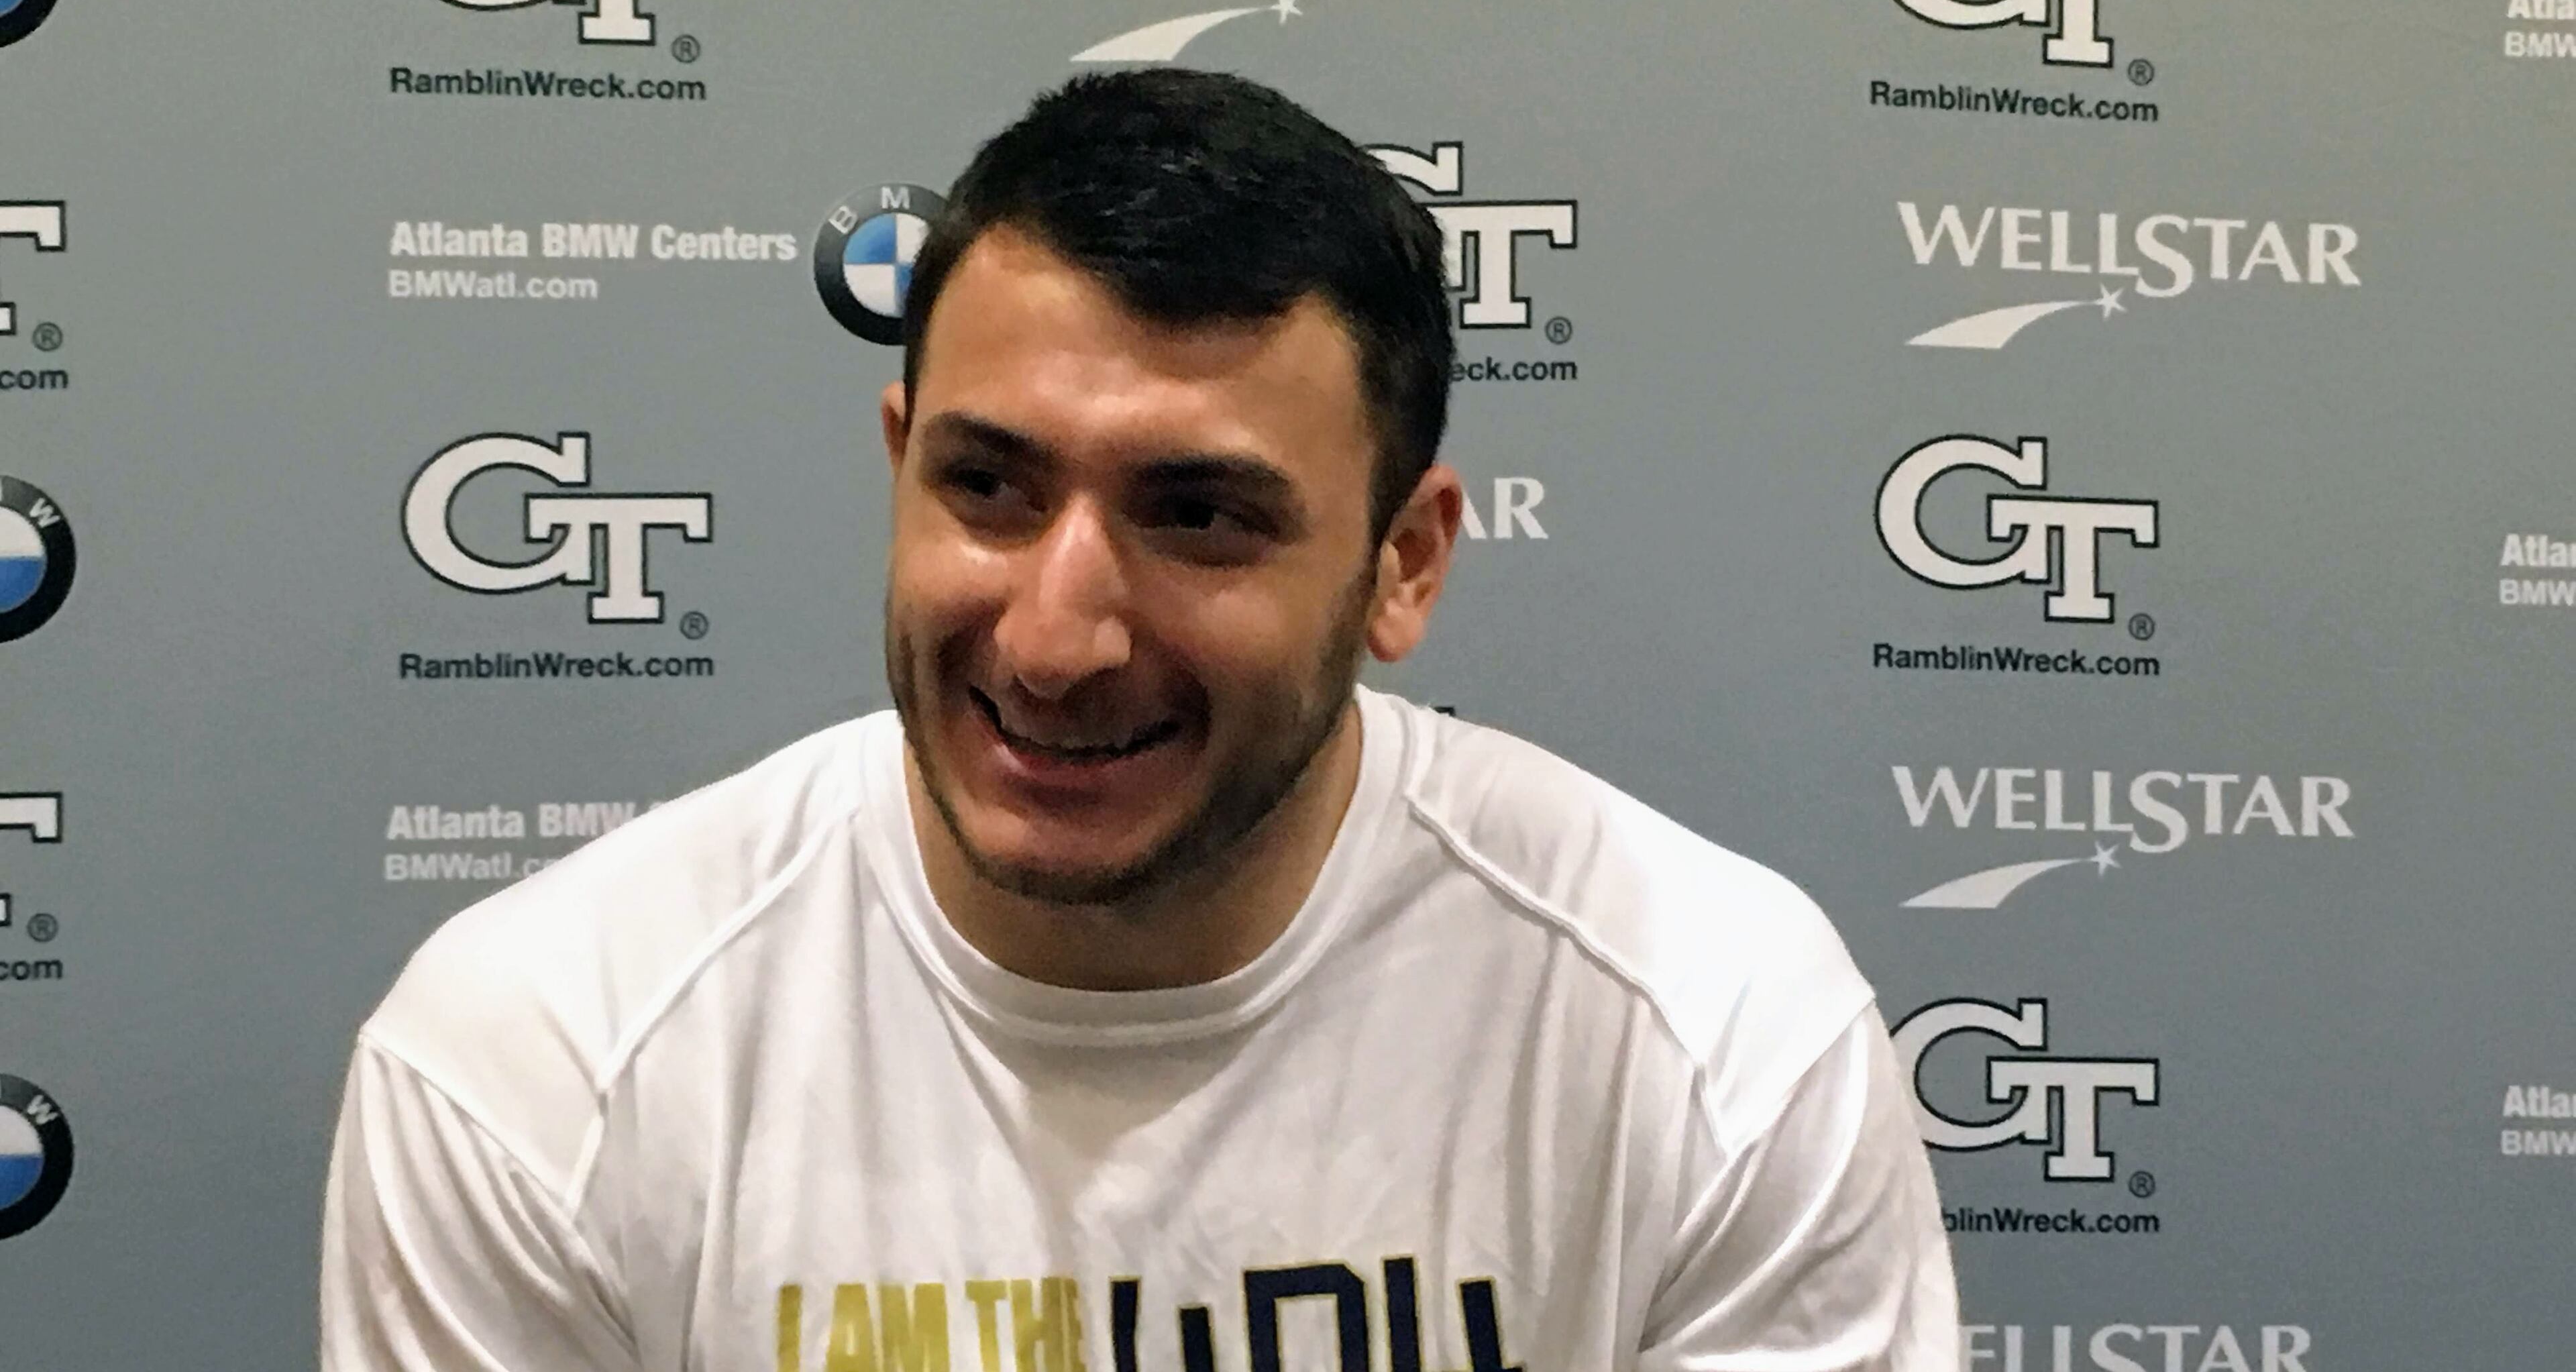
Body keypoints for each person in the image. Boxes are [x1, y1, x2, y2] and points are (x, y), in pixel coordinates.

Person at [319, 67, 1959, 1372]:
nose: (1054, 640)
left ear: (1403, 564)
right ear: (897, 462)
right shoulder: (540, 1058)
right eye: (986, 487)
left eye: (1199, 516)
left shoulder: (1718, 1039)